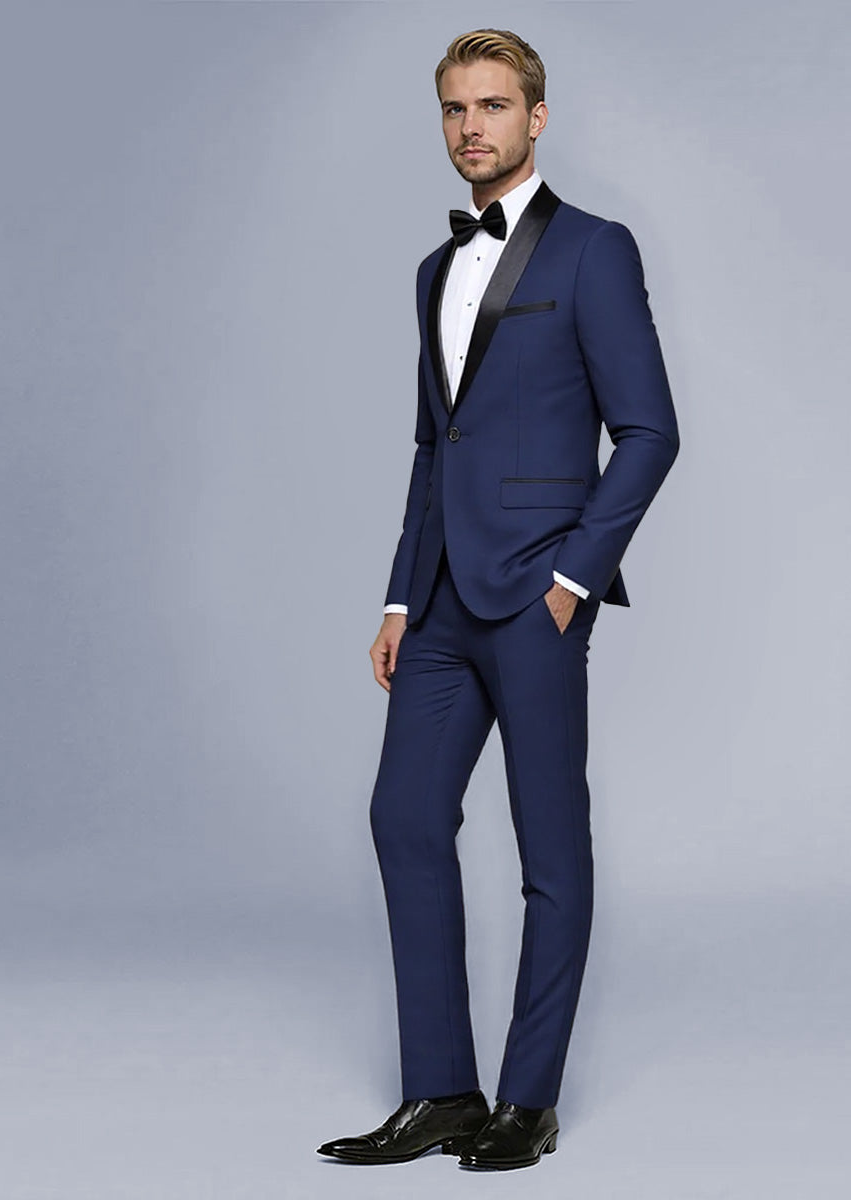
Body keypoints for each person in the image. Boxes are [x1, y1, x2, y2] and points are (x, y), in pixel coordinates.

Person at [317, 27, 679, 1171]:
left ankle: (528, 1101)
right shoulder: (434, 271)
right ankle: (441, 1091)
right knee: (404, 820)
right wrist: (396, 598)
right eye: (454, 109)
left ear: (536, 117)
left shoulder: (595, 250)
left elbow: (650, 431)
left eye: (493, 105)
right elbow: (437, 445)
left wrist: (575, 579)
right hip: (438, 600)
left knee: (548, 849)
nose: (471, 126)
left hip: (535, 595)